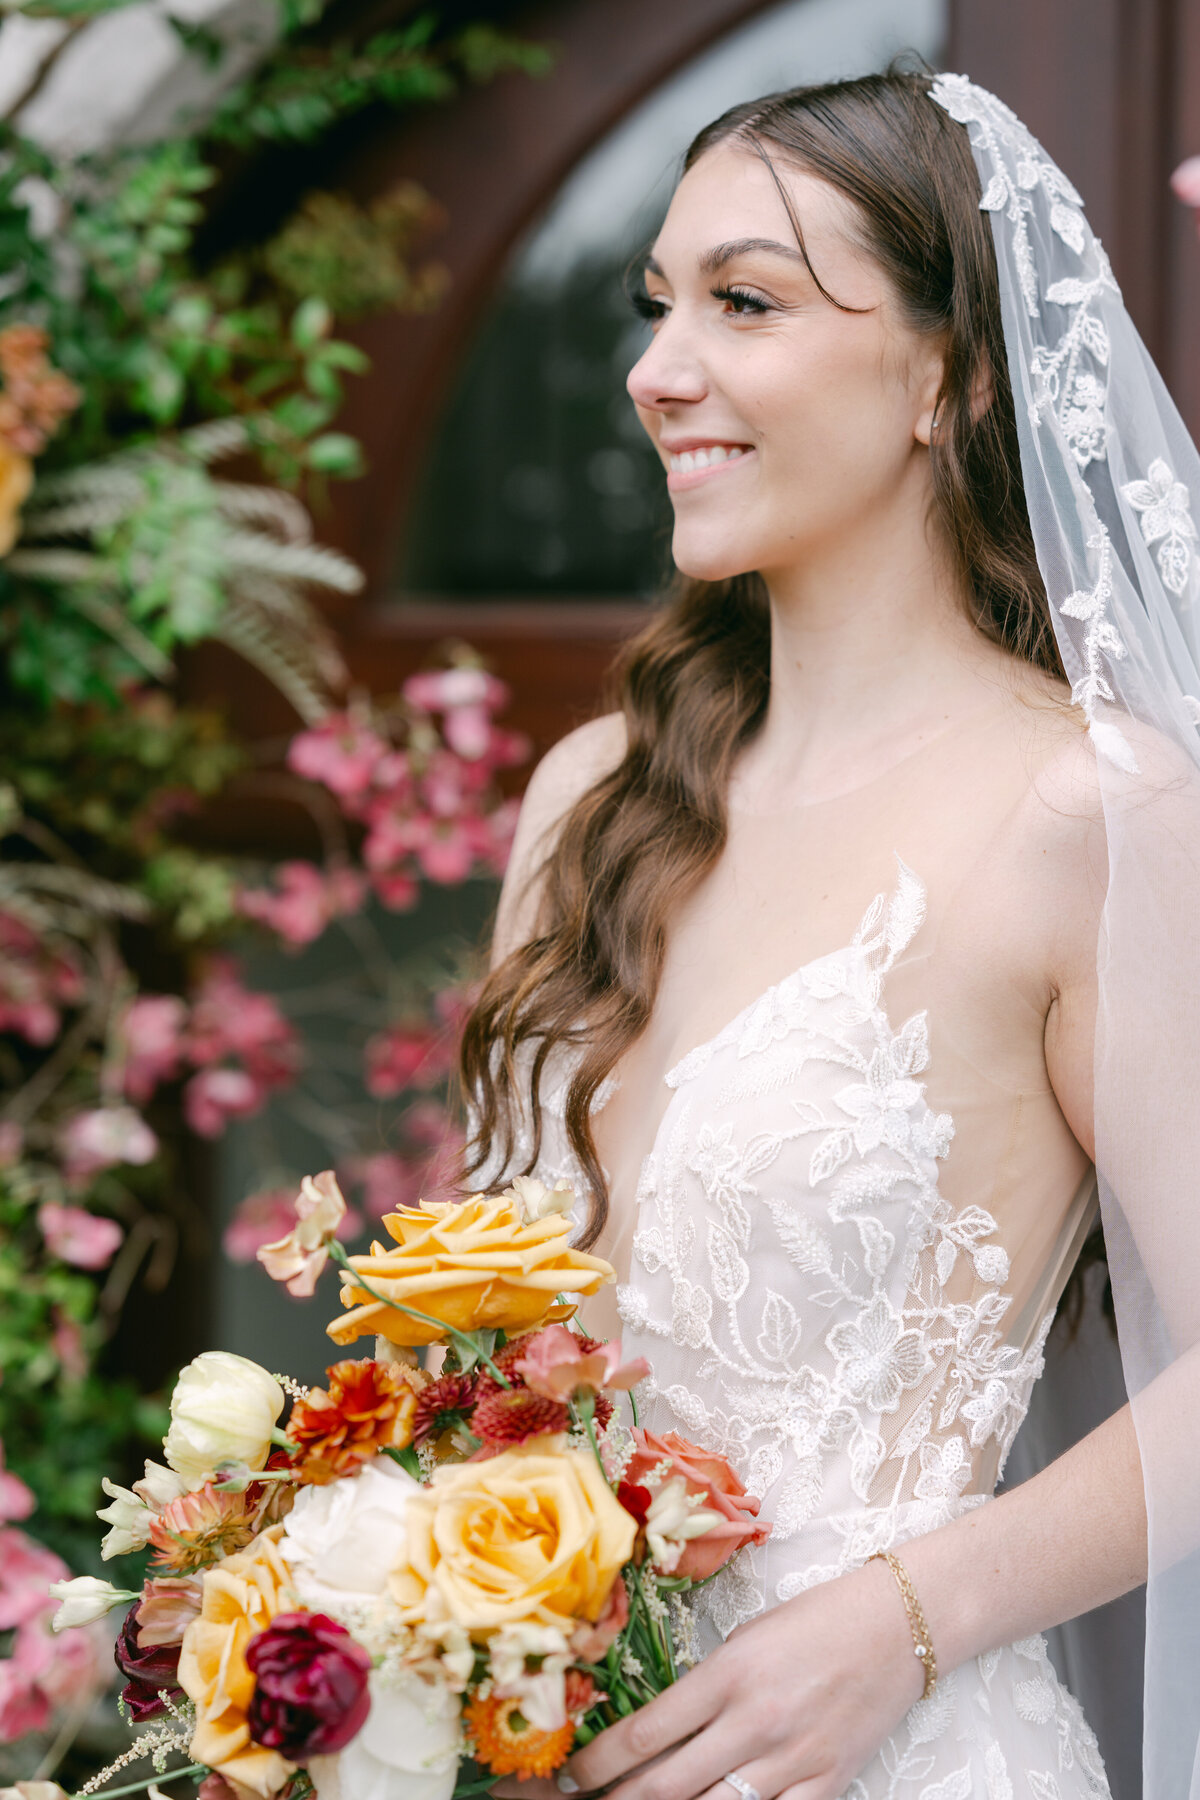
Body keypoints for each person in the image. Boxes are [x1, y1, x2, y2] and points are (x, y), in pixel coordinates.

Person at [461, 69, 1200, 1798]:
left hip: (904, 1752)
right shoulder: (590, 799)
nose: (659, 369)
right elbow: (487, 1361)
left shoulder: (1087, 815)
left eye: (746, 302)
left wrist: (906, 1623)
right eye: (658, 304)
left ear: (949, 371)